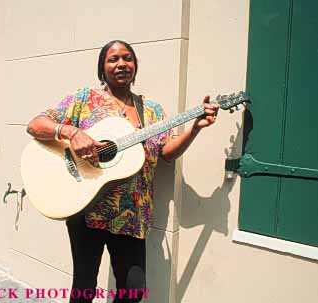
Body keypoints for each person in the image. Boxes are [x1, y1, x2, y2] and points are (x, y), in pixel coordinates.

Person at [26, 40, 219, 303]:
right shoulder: (85, 100)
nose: (121, 64)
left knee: (133, 292)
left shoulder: (151, 110)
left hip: (132, 215)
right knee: (84, 288)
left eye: (127, 58)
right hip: (86, 209)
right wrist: (71, 132)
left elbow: (167, 152)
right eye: (113, 59)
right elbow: (36, 125)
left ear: (135, 66)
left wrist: (195, 127)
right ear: (102, 68)